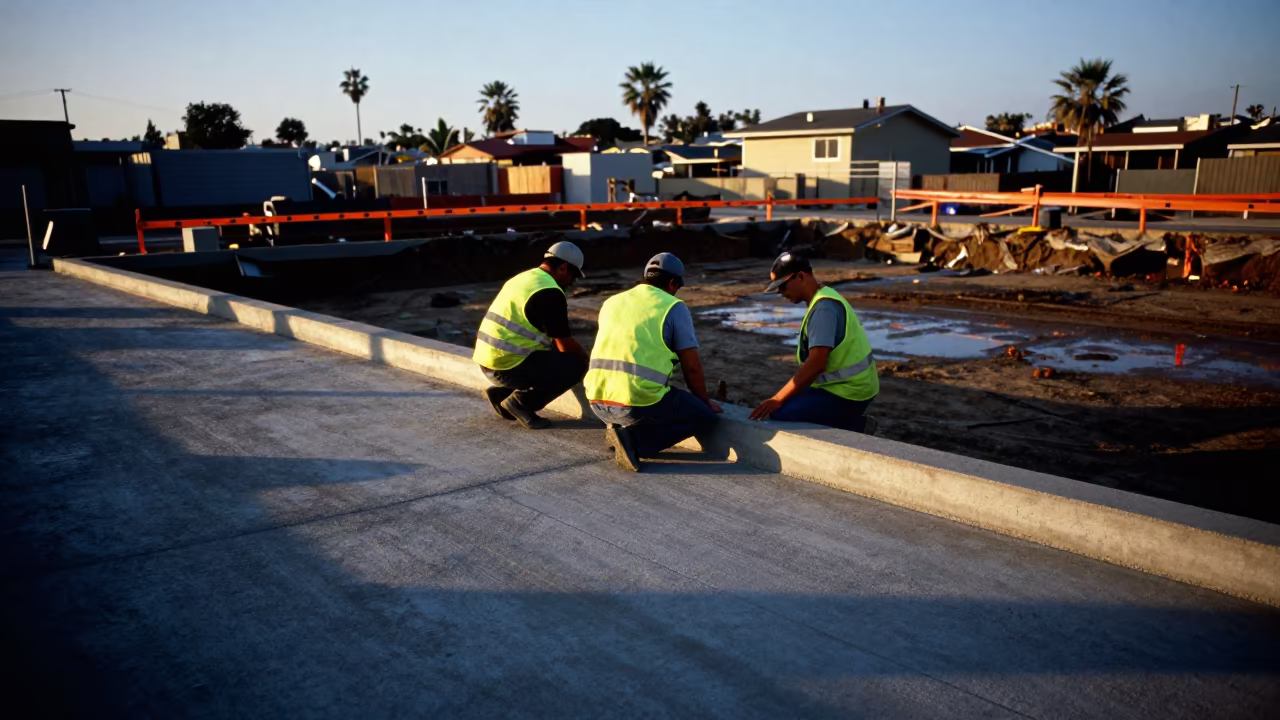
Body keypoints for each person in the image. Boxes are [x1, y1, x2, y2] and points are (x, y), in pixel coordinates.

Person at [586, 253, 723, 471]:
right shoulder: (673, 307)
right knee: (704, 417)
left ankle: (621, 431)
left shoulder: (612, 301)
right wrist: (704, 403)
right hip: (633, 404)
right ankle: (634, 442)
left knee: (664, 395)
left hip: (596, 401)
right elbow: (692, 367)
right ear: (672, 283)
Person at [749, 252, 879, 434]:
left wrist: (777, 399)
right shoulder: (824, 296)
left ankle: (855, 426)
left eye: (783, 285)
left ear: (801, 275)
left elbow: (816, 364)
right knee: (791, 399)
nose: (780, 292)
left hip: (849, 392)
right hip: (851, 386)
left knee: (782, 415)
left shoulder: (823, 309)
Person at [473, 241, 589, 430]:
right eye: (572, 276)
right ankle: (521, 403)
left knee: (550, 352)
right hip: (506, 366)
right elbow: (564, 344)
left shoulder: (523, 278)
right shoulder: (550, 292)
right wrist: (586, 360)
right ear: (563, 267)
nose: (571, 282)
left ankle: (501, 395)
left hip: (487, 360)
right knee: (575, 365)